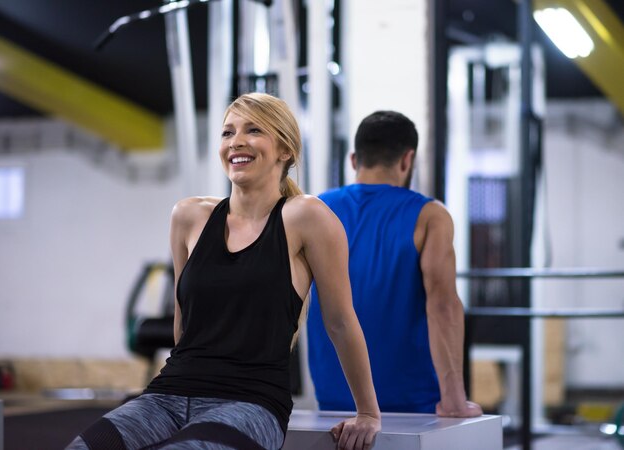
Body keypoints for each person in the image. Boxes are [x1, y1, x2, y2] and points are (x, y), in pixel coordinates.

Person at [66, 93, 381, 450]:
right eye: (228, 132)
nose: (236, 142)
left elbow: (340, 321)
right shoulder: (188, 216)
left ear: (285, 151)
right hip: (167, 395)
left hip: (251, 403)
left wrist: (368, 413)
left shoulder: (306, 216)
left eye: (254, 130)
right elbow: (183, 324)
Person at [307, 110, 483, 418]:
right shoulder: (430, 216)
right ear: (407, 160)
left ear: (353, 160)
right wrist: (454, 398)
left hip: (334, 399)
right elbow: (442, 306)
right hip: (413, 402)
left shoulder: (316, 211)